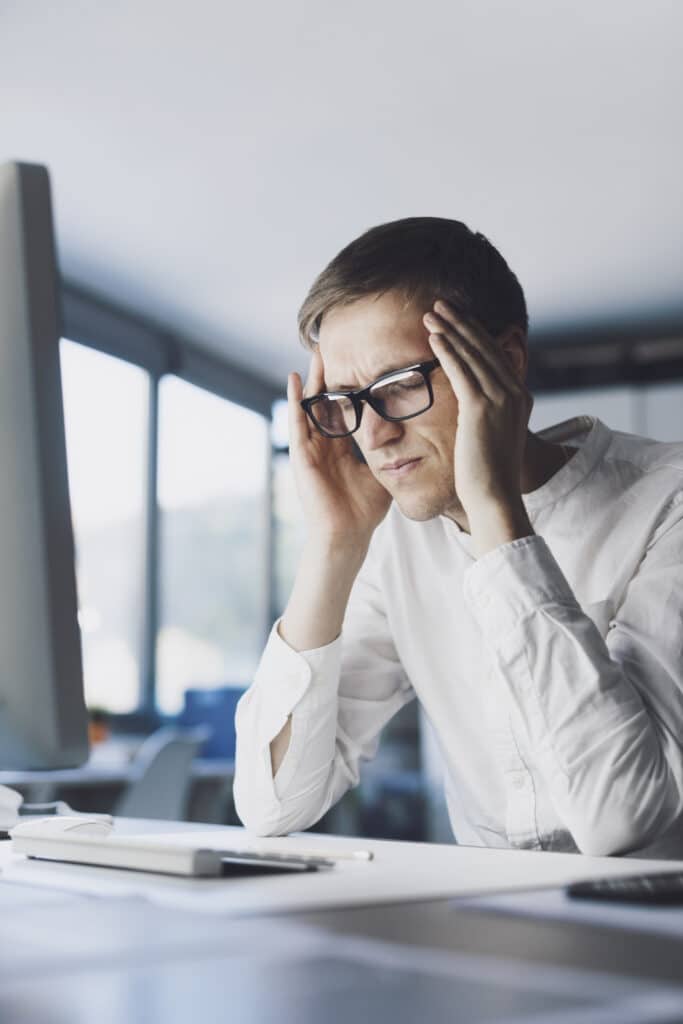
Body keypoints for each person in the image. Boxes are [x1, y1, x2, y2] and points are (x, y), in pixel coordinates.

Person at [233, 217, 683, 858]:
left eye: (400, 385)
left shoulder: (669, 502)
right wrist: (333, 544)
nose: (373, 433)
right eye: (344, 400)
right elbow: (274, 806)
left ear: (506, 363)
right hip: (485, 925)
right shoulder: (396, 541)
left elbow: (623, 820)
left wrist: (496, 512)